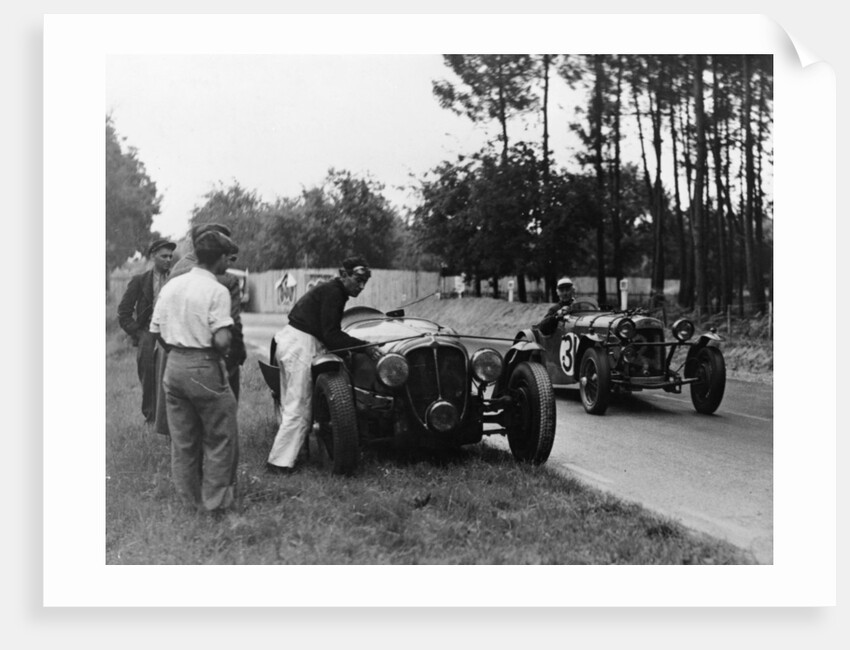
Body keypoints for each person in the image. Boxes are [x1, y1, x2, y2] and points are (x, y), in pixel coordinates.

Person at [149, 229, 240, 514]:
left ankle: (190, 504)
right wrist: (216, 351)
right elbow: (223, 340)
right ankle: (214, 504)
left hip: (173, 365)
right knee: (221, 436)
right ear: (220, 258)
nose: (229, 263)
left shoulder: (171, 285)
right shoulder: (217, 290)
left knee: (183, 441)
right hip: (204, 365)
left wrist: (178, 349)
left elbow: (157, 331)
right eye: (228, 257)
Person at [266, 256, 380, 474]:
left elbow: (328, 334)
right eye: (358, 279)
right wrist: (364, 347)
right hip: (299, 345)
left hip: (292, 340)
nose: (361, 286)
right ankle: (278, 465)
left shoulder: (333, 291)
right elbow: (331, 335)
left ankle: (294, 456)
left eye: (365, 281)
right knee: (298, 407)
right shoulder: (334, 293)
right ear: (343, 274)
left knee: (293, 405)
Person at [169, 222, 247, 398]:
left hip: (176, 360)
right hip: (215, 359)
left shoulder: (176, 273)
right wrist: (236, 355)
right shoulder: (227, 280)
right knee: (222, 415)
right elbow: (233, 323)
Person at [117, 238, 176, 423]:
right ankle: (150, 418)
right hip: (148, 333)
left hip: (171, 333)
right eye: (164, 256)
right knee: (148, 376)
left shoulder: (176, 280)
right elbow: (123, 312)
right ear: (153, 256)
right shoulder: (140, 281)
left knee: (172, 374)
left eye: (170, 256)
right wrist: (138, 333)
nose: (168, 259)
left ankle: (170, 419)